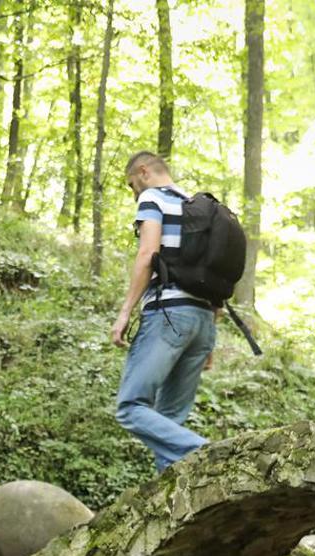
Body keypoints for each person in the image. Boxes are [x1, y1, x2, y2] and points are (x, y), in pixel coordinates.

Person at [109, 151, 218, 472]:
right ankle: (177, 500)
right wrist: (209, 337)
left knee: (130, 407)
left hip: (168, 315)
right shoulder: (198, 207)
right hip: (203, 321)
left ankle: (210, 454)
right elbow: (214, 272)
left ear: (143, 172)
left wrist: (125, 312)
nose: (134, 194)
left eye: (132, 185)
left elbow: (147, 254)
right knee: (169, 425)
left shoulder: (152, 198)